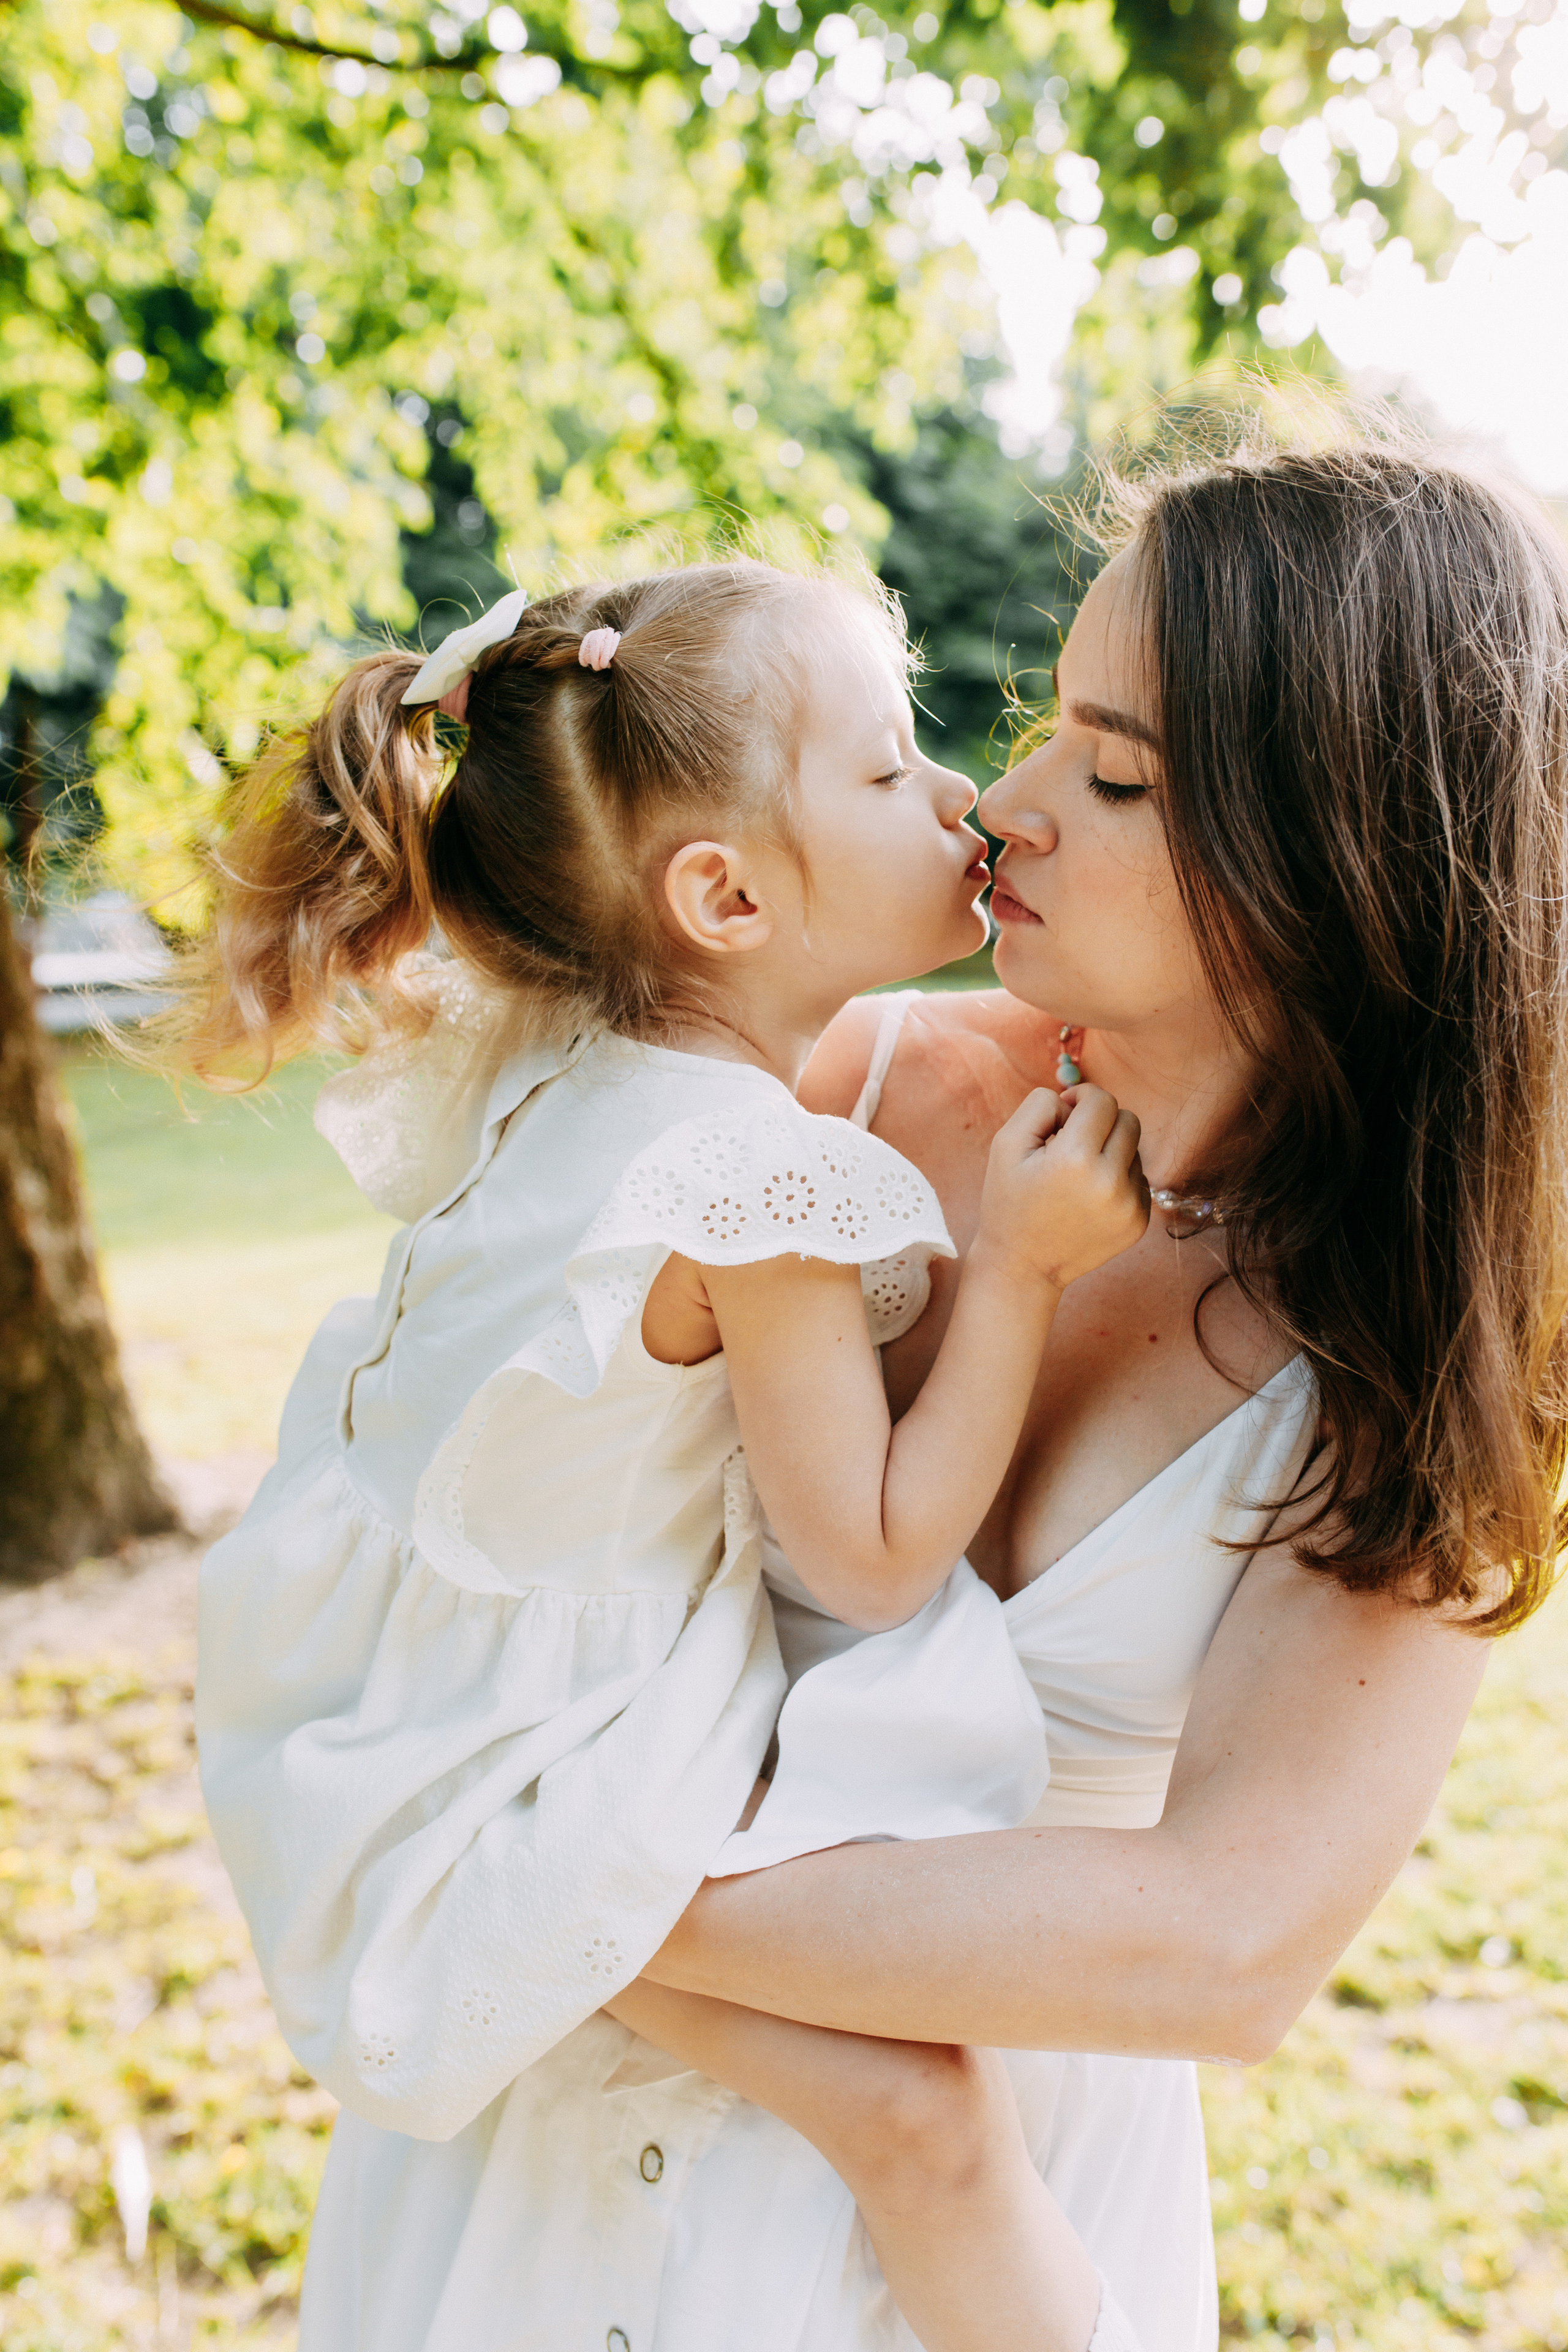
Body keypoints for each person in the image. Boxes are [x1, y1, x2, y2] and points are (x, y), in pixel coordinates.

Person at [590, 425, 1568, 2350]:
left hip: (1001, 2209)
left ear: (1334, 856)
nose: (1004, 799)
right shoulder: (831, 1090)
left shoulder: (1414, 1336)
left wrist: (572, 1904)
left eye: (1113, 772)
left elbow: (1230, 1943)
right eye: (1049, 722)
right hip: (593, 2154)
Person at [188, 558, 1153, 2352]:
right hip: (541, 1761)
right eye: (882, 772)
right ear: (718, 895)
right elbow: (870, 1555)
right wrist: (1016, 1263)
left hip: (388, 1710)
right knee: (922, 2116)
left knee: (916, 2107)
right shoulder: (753, 1181)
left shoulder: (563, 1062)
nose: (958, 796)